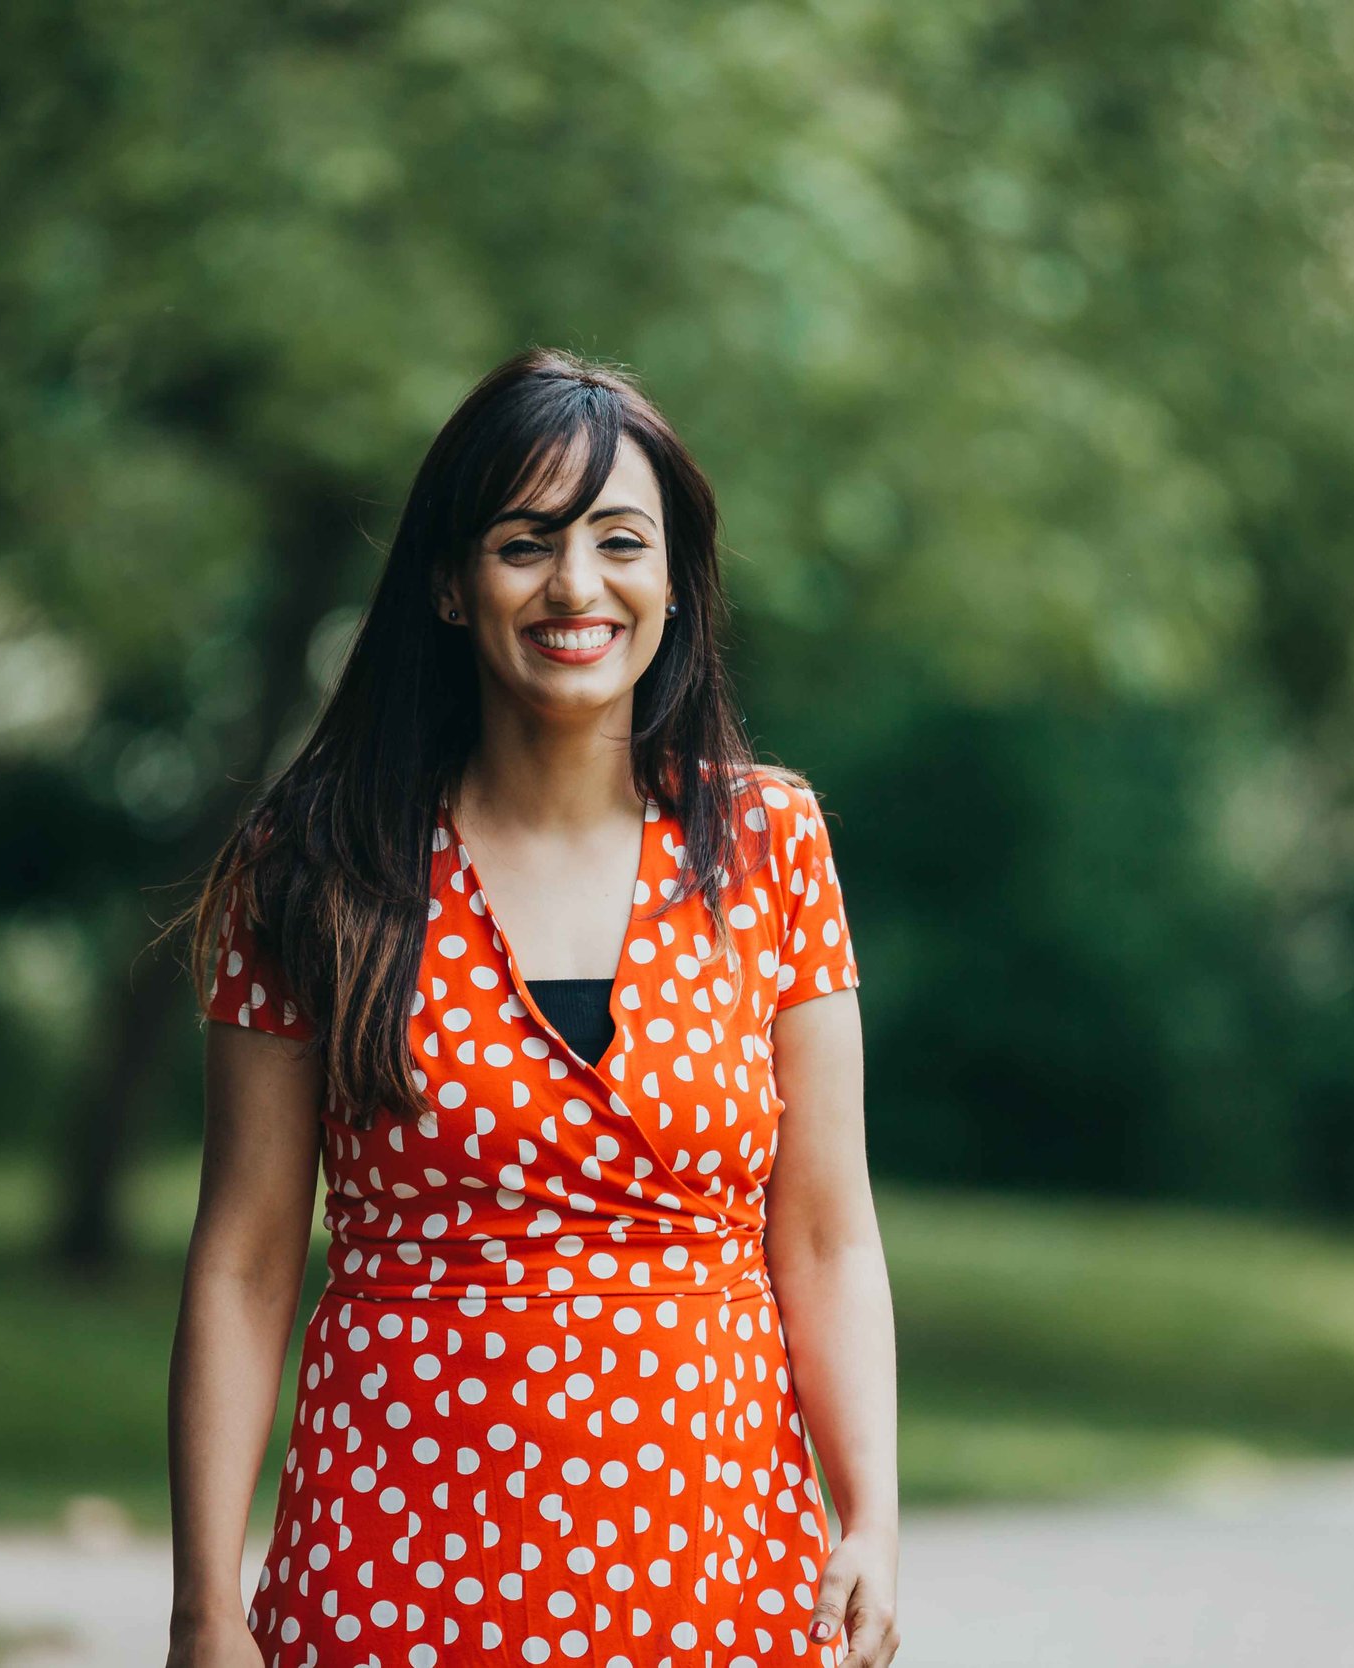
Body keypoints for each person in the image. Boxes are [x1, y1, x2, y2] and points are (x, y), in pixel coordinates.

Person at [163, 347, 900, 1668]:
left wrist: (873, 1524)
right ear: (450, 583)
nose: (577, 585)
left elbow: (831, 1234)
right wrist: (208, 1606)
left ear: (675, 582)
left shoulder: (769, 845)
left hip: (718, 1586)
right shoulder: (317, 861)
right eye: (526, 542)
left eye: (622, 540)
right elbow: (244, 1257)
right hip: (396, 1585)